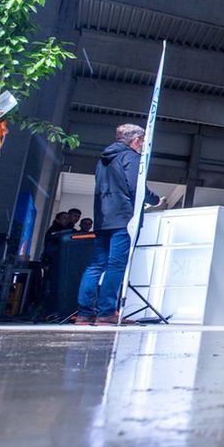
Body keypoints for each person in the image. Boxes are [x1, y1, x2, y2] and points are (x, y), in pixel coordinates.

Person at [74, 124, 161, 325]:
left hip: (103, 217)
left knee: (96, 264)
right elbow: (135, 187)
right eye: (143, 141)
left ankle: (84, 313)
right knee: (116, 265)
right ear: (136, 140)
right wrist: (155, 200)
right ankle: (106, 312)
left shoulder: (104, 159)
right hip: (123, 217)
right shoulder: (131, 157)